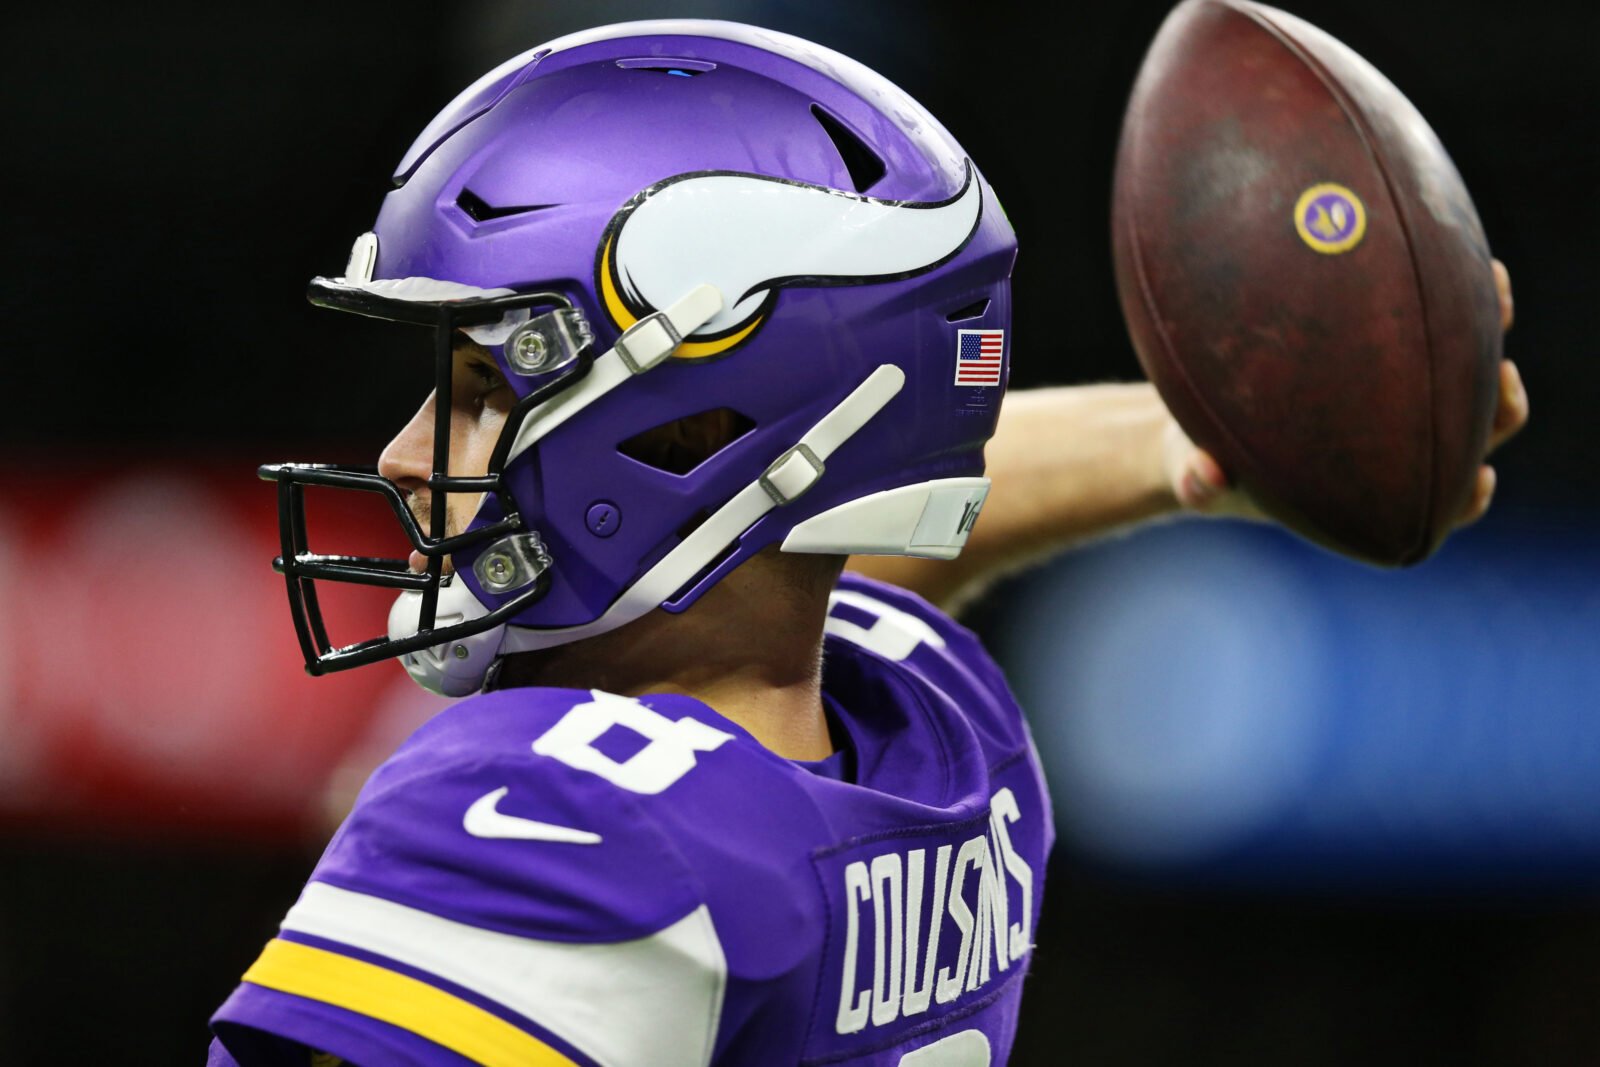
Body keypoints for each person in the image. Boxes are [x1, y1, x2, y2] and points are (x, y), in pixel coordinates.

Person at [208, 19, 1526, 1067]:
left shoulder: (538, 816)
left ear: (697, 421)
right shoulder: (940, 742)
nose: (401, 454)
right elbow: (834, 545)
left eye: (488, 387)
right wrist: (1199, 446)